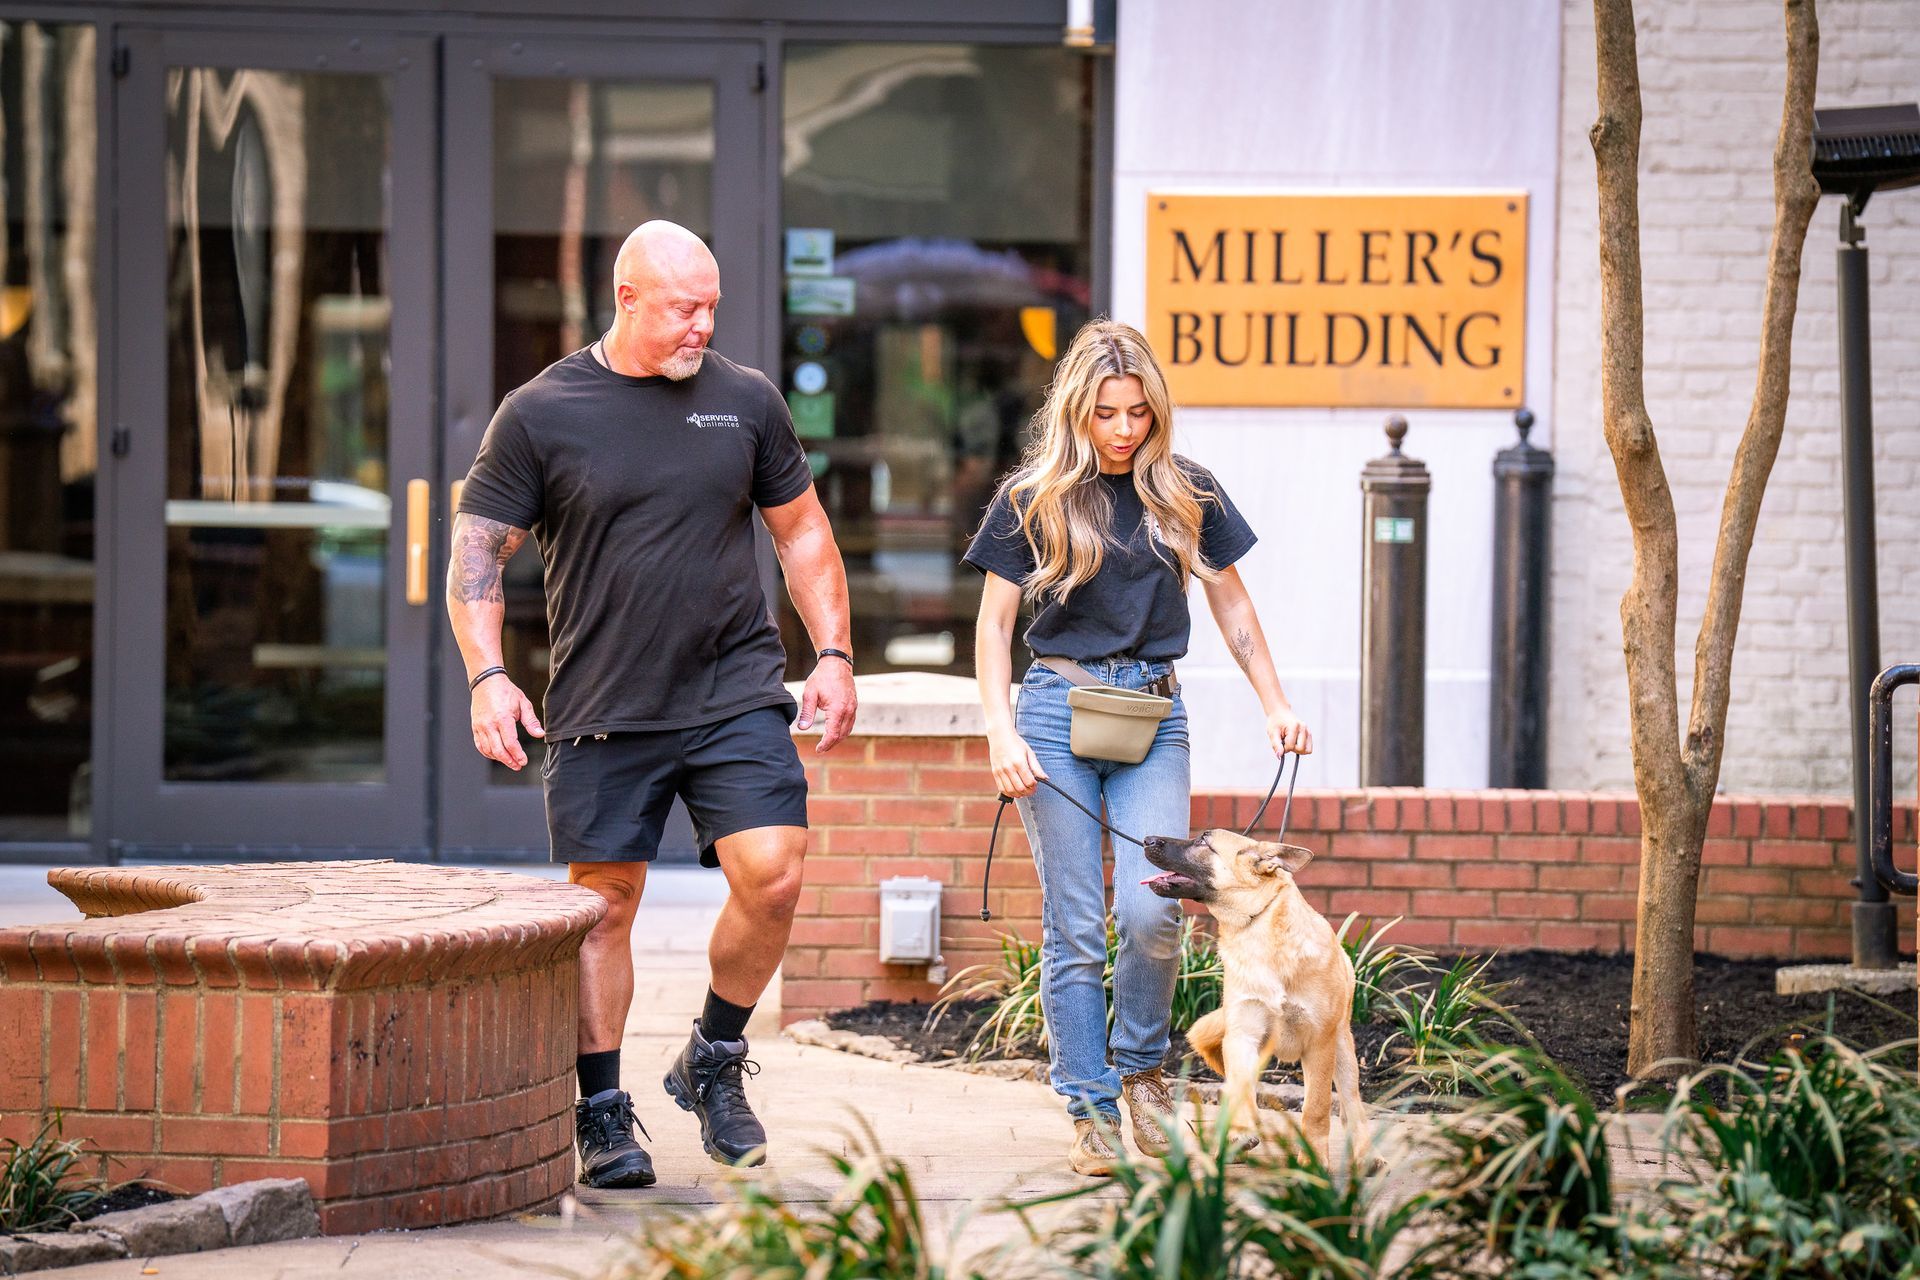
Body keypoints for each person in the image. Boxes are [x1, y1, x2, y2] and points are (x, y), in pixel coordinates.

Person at [447, 220, 856, 1189]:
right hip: (605, 698)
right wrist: (487, 673)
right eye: (685, 307)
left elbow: (803, 537)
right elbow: (477, 555)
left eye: (712, 305)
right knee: (606, 906)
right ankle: (601, 1107)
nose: (703, 325)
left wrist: (833, 653)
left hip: (733, 687)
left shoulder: (747, 401)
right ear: (628, 296)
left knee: (777, 872)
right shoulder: (542, 410)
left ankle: (713, 1056)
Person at [965, 320, 1312, 1177]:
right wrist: (1000, 729)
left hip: (1155, 715)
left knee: (1155, 912)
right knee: (1075, 926)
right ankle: (1089, 1109)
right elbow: (994, 626)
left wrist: (1276, 701)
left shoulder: (1187, 491)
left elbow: (1233, 607)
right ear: (1076, 412)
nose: (1123, 431)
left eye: (1139, 414)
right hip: (1054, 712)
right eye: (1106, 414)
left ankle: (1144, 1076)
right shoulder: (1031, 498)